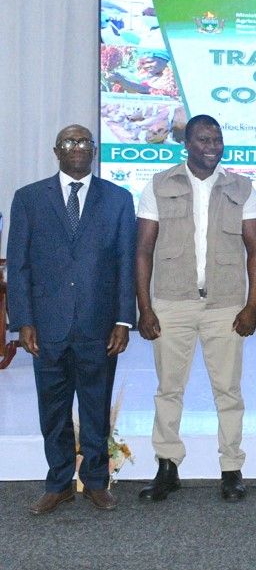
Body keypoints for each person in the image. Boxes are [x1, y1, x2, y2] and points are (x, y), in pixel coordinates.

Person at [133, 115, 256, 503]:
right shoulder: (159, 184)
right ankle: (167, 466)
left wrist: (251, 306)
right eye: (204, 139)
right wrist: (145, 307)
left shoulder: (242, 188)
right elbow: (142, 250)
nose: (212, 145)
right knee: (169, 389)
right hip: (171, 303)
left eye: (218, 139)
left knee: (228, 390)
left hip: (225, 305)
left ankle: (231, 468)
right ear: (186, 144)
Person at [6, 124, 136, 514]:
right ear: (56, 150)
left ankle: (96, 481)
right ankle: (58, 483)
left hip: (99, 325)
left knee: (96, 407)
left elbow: (126, 262)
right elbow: (19, 264)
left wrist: (123, 320)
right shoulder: (28, 199)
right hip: (46, 327)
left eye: (84, 142)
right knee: (54, 410)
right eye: (69, 142)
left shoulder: (118, 199)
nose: (77, 148)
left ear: (94, 150)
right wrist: (24, 320)